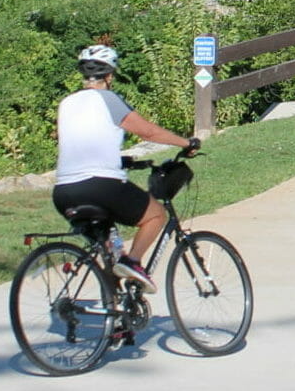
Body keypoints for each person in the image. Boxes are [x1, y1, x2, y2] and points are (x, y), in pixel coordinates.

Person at [52, 44, 199, 293]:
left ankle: (116, 318)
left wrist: (119, 159)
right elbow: (148, 131)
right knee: (155, 215)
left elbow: (77, 141)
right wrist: (187, 142)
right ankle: (133, 262)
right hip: (101, 187)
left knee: (109, 249)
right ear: (109, 76)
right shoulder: (109, 99)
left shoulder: (66, 103)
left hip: (64, 192)